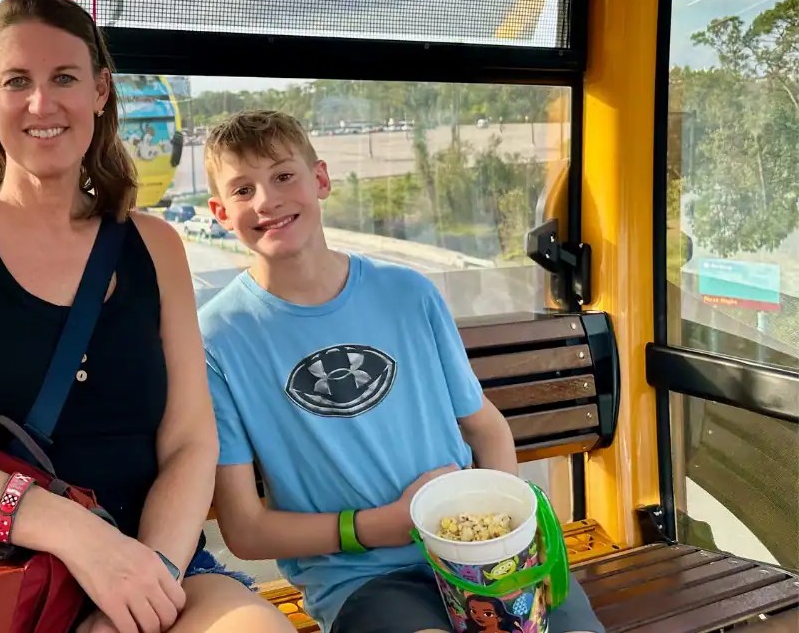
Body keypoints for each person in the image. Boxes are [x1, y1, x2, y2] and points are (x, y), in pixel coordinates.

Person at [0, 0, 291, 633]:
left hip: (150, 561)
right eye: (17, 80)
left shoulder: (154, 246)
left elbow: (190, 440)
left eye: (64, 77)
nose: (42, 103)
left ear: (101, 91)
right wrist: (73, 534)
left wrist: (137, 577)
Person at [199, 110, 605, 633]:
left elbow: (485, 426)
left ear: (319, 179)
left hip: (477, 556)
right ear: (219, 213)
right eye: (242, 190)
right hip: (361, 582)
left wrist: (499, 539)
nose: (266, 200)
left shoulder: (408, 295)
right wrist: (378, 527)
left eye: (283, 176)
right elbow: (247, 531)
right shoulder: (218, 339)